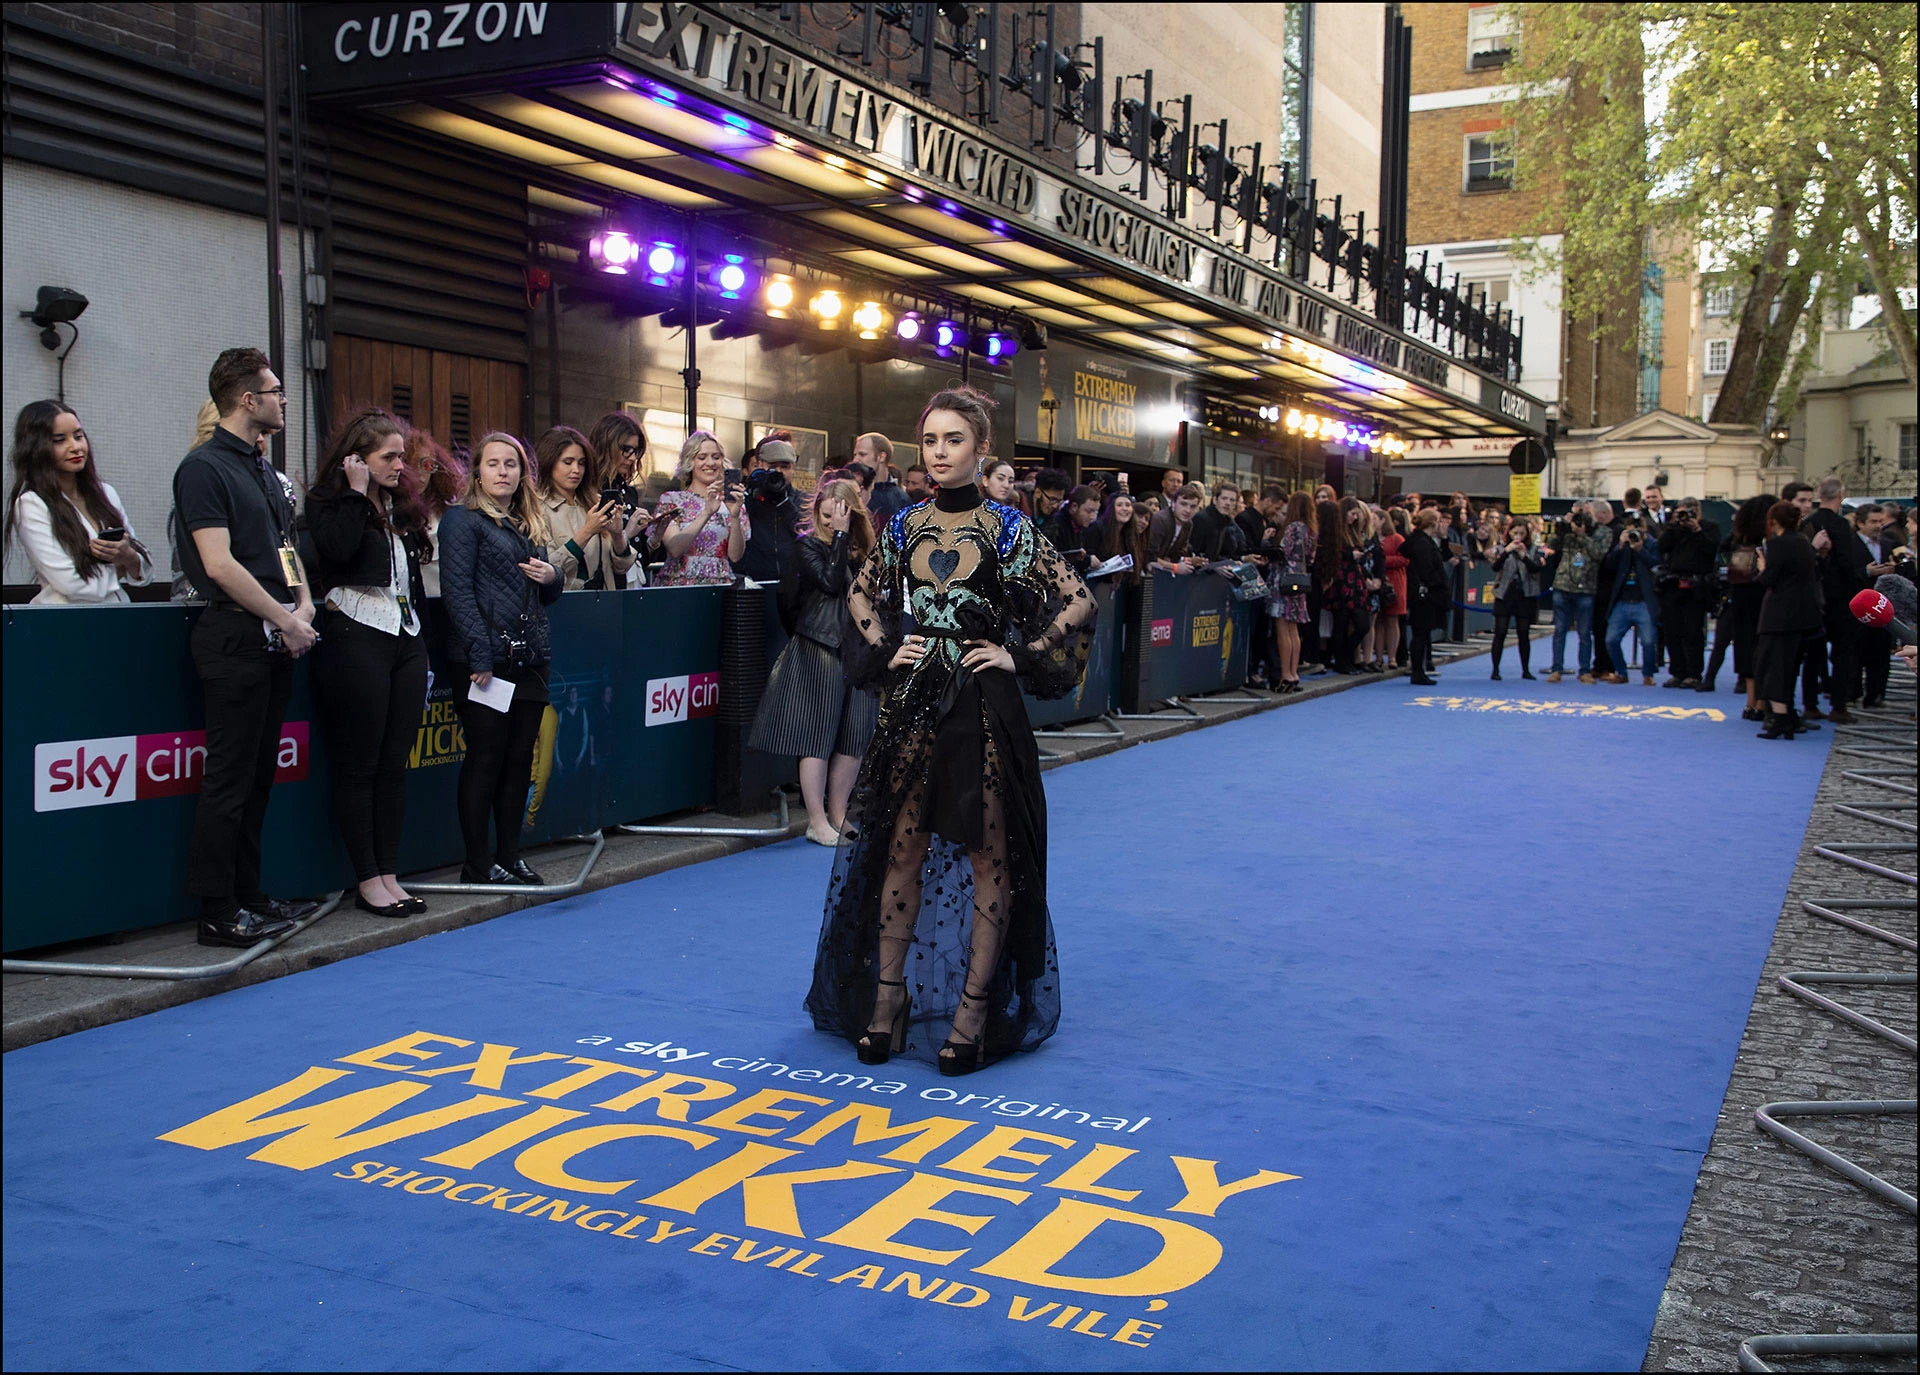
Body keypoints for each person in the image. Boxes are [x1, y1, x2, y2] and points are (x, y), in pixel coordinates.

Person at [807, 385, 1094, 1076]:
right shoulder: (904, 523)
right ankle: (888, 1001)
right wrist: (884, 647)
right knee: (900, 851)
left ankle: (973, 1010)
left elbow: (1077, 600)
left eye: (953, 440)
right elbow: (857, 592)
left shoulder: (1007, 527)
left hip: (982, 709)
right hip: (913, 704)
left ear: (980, 447)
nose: (939, 453)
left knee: (985, 855)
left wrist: (1017, 653)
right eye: (930, 441)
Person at [172, 347, 318, 948]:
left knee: (260, 777)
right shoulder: (204, 468)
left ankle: (252, 896)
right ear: (246, 400)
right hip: (232, 635)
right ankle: (217, 909)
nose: (285, 399)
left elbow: (286, 551)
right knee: (228, 780)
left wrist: (303, 605)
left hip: (272, 635)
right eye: (276, 389)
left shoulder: (261, 467)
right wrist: (285, 617)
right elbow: (219, 564)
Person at [303, 406, 431, 918]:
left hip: (405, 636)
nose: (400, 464)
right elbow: (336, 550)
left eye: (401, 455)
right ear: (357, 458)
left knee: (393, 764)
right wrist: (356, 494)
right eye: (389, 456)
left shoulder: (400, 507)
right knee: (360, 765)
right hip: (354, 634)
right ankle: (367, 879)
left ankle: (390, 873)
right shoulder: (329, 501)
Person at [438, 432, 563, 884]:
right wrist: (480, 655)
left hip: (529, 659)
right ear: (477, 472)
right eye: (493, 464)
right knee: (486, 757)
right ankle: (477, 864)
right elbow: (457, 594)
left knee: (517, 761)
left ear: (522, 473)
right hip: (483, 663)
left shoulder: (529, 522)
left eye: (511, 464)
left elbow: (547, 595)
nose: (503, 472)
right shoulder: (461, 520)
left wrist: (552, 578)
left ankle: (510, 856)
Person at [748, 479, 877, 846]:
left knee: (855, 735)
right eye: (825, 515)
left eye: (838, 516)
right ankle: (816, 819)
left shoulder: (865, 550)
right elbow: (830, 584)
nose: (830, 521)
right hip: (819, 646)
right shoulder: (807, 546)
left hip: (860, 649)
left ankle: (837, 813)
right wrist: (838, 537)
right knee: (817, 736)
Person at [7, 400, 152, 604]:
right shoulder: (31, 504)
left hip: (118, 617)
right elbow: (71, 584)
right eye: (59, 440)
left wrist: (128, 556)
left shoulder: (106, 493)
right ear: (36, 448)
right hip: (68, 622)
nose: (75, 447)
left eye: (78, 436)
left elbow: (144, 571)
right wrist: (118, 570)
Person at [535, 425, 641, 591]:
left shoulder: (596, 503)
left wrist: (618, 534)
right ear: (549, 462)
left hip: (603, 603)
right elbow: (546, 569)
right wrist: (588, 531)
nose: (576, 470)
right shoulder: (537, 509)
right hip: (563, 605)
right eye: (567, 462)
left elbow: (623, 566)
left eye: (582, 463)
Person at [1753, 501, 1822, 738]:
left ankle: (1779, 718)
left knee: (1773, 666)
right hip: (1802, 616)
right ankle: (1788, 715)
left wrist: (1762, 566)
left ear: (1774, 521)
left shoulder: (1778, 544)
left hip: (1779, 615)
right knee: (1790, 666)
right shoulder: (1803, 542)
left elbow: (1768, 580)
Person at [1805, 477, 1866, 724]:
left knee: (1813, 654)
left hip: (1814, 597)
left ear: (1819, 494)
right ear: (1841, 494)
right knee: (1842, 653)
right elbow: (1848, 565)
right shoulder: (1841, 525)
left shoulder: (1809, 523)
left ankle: (1810, 704)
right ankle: (1839, 705)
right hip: (1839, 598)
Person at [654, 431, 746, 585]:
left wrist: (735, 516)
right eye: (702, 457)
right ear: (690, 462)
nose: (710, 463)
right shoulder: (671, 500)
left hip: (720, 583)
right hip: (680, 584)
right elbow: (675, 549)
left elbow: (735, 556)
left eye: (716, 457)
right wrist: (707, 512)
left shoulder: (732, 501)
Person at [1715, 494, 1774, 721]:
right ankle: (1760, 702)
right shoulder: (1765, 547)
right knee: (1761, 647)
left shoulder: (1740, 542)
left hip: (1741, 596)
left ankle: (1751, 702)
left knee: (1746, 646)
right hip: (1761, 598)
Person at [1654, 496, 1720, 688]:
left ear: (1697, 512)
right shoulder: (1675, 529)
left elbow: (1711, 549)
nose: (1684, 517)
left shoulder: (1709, 527)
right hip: (1673, 584)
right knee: (1672, 631)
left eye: (1688, 513)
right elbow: (1662, 546)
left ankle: (1693, 673)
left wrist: (1696, 530)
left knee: (1693, 631)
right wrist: (1674, 526)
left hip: (1696, 584)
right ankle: (1677, 672)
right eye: (1681, 512)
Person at [586, 411, 652, 588]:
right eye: (626, 449)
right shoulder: (588, 489)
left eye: (636, 451)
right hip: (605, 584)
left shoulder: (629, 492)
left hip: (634, 579)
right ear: (607, 446)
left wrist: (654, 539)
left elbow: (639, 555)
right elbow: (594, 549)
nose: (632, 458)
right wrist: (625, 533)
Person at [1545, 505, 1607, 683]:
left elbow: (1599, 554)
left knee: (1585, 633)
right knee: (1560, 631)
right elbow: (1552, 545)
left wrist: (1582, 535)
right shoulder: (1566, 533)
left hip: (1585, 589)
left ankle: (1585, 670)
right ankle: (1556, 668)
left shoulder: (1600, 532)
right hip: (1562, 585)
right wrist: (1562, 528)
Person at [1598, 524, 1661, 686]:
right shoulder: (1622, 547)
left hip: (1643, 601)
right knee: (1610, 640)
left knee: (1648, 641)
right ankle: (1621, 672)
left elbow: (1657, 566)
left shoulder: (1653, 545)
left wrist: (1640, 550)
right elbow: (1608, 564)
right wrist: (1620, 545)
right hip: (1622, 600)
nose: (1633, 535)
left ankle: (1648, 674)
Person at [735, 436, 805, 582]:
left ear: (793, 468)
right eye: (773, 466)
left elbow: (805, 534)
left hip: (794, 587)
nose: (778, 472)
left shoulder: (803, 501)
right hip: (756, 584)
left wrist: (783, 502)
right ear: (760, 464)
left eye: (784, 467)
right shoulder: (749, 498)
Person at [1265, 492, 1316, 692]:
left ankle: (1285, 674)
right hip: (1300, 580)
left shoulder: (1292, 528)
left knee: (1282, 627)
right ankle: (1294, 673)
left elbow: (1281, 552)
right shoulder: (1311, 530)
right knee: (1294, 628)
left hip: (1283, 579)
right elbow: (1311, 559)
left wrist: (1268, 542)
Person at [408, 429, 465, 598]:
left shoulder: (446, 511)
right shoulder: (391, 511)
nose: (419, 474)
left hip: (444, 600)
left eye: (426, 465)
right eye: (411, 465)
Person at [1487, 519, 1547, 680]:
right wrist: (1507, 551)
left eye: (1521, 533)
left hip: (1525, 593)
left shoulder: (1534, 549)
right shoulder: (1501, 548)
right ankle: (1495, 670)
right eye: (1515, 533)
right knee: (1500, 631)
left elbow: (1536, 569)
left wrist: (1524, 555)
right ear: (1509, 532)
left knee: (1523, 632)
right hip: (1505, 593)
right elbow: (1495, 567)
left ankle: (1525, 670)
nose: (1518, 537)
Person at [1852, 504, 1898, 709]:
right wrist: (1866, 573)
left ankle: (1876, 693)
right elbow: (1842, 574)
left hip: (1883, 606)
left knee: (1881, 653)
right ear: (1860, 523)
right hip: (1857, 607)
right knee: (1857, 651)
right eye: (1873, 522)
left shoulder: (1889, 544)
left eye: (1881, 521)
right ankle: (1852, 692)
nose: (1878, 526)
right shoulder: (1850, 544)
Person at [1314, 499, 1368, 674]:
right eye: (1352, 513)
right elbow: (1333, 553)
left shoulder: (1353, 532)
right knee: (1341, 624)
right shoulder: (1336, 532)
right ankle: (1341, 660)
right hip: (1340, 581)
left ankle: (1344, 656)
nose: (1354, 517)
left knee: (1361, 624)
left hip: (1355, 581)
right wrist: (1350, 555)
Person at [1402, 506, 1450, 686]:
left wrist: (1444, 539)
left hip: (1426, 592)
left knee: (1422, 633)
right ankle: (1417, 671)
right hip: (1425, 594)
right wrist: (1435, 585)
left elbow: (1445, 556)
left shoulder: (1426, 541)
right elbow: (1426, 569)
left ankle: (1419, 669)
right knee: (1420, 633)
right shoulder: (1421, 543)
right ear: (1432, 522)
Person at [1375, 505, 1409, 673]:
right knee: (1378, 621)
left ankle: (1393, 657)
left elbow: (1405, 559)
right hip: (1377, 583)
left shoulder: (1397, 538)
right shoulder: (1371, 538)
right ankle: (1379, 657)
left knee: (1392, 620)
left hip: (1395, 582)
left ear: (1383, 520)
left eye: (1375, 518)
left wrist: (1383, 561)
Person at [1087, 487, 1146, 581]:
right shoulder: (1097, 527)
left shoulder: (1129, 533)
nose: (1125, 509)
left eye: (1128, 505)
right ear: (1111, 509)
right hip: (1096, 582)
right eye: (1119, 505)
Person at [1042, 483, 1102, 571]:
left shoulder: (1080, 525)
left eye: (1095, 512)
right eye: (1089, 511)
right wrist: (1085, 560)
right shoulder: (1055, 525)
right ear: (1074, 506)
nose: (1092, 517)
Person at [1148, 482, 1204, 572]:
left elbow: (1177, 555)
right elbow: (1149, 557)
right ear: (1173, 504)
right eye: (1183, 504)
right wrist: (1175, 567)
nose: (1188, 510)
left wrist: (1190, 561)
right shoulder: (1161, 520)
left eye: (1193, 506)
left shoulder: (1188, 524)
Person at [855, 433, 910, 523]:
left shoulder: (900, 499)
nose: (856, 460)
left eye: (862, 454)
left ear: (881, 457)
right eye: (855, 455)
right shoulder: (851, 489)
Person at [1190, 481, 1250, 560]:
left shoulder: (1225, 520)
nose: (1228, 503)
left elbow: (1216, 555)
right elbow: (1196, 554)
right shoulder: (1202, 519)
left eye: (1232, 500)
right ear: (1215, 500)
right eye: (1224, 498)